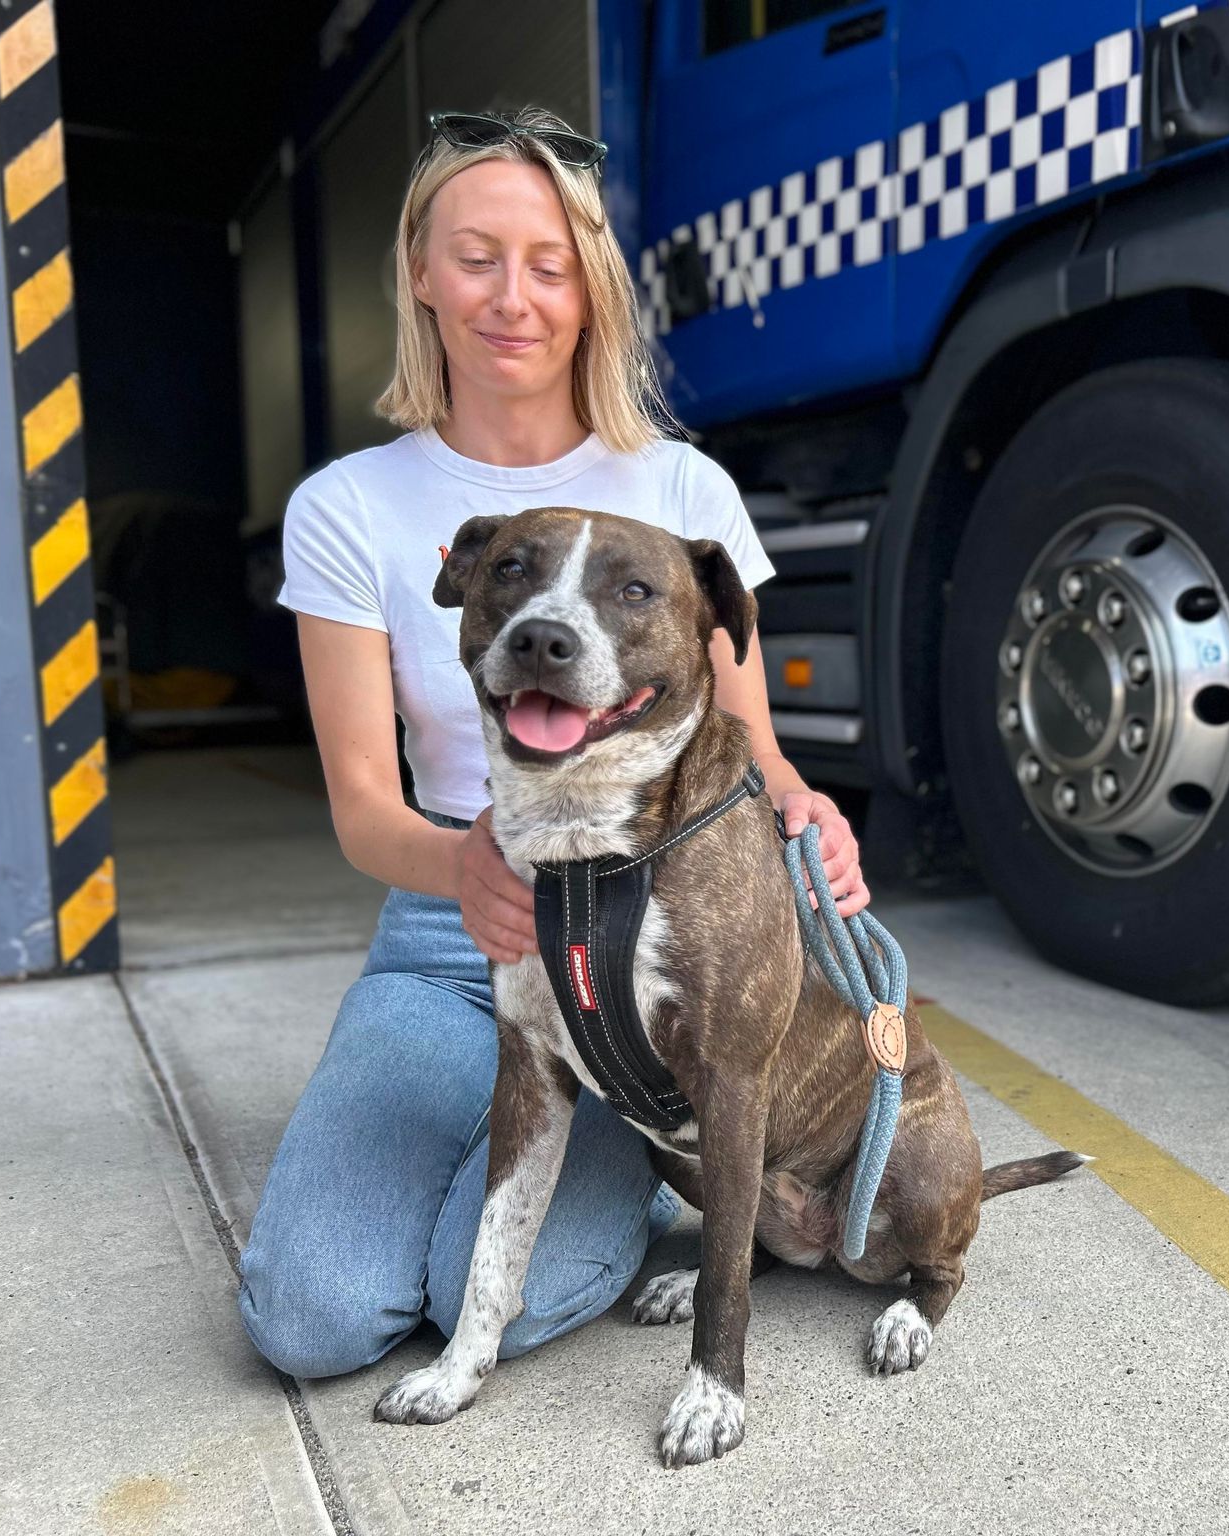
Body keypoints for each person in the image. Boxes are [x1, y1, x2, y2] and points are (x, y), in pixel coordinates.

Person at [237, 107, 868, 1379]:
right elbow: (366, 804)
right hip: (449, 942)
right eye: (475, 256)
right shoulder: (348, 509)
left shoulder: (682, 491)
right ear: (420, 270)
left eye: (548, 262)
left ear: (590, 288)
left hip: (646, 950)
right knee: (310, 1320)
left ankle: (637, 1153)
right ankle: (558, 1165)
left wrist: (808, 811)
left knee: (506, 1305)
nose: (511, 296)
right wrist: (460, 869)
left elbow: (749, 741)